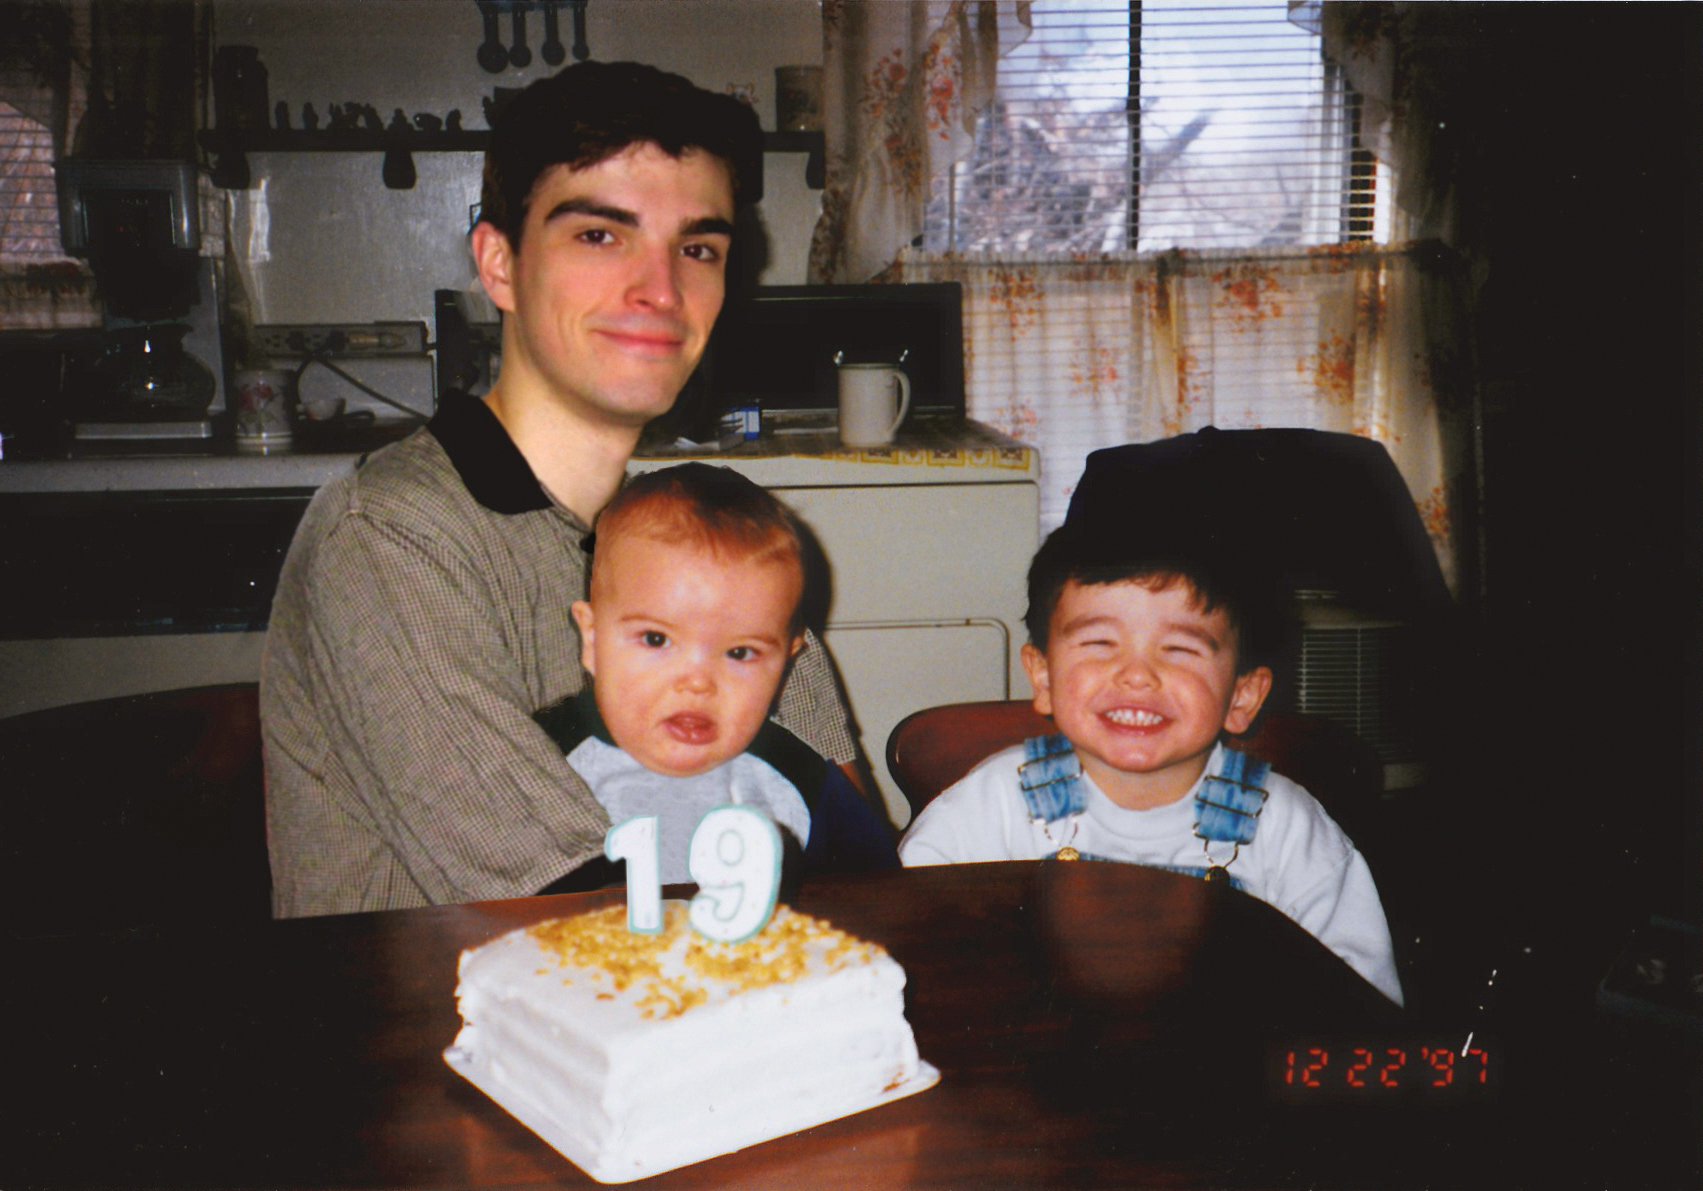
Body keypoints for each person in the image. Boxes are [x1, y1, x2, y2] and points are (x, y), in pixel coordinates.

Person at [261, 61, 870, 918]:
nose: (660, 290)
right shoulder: (388, 537)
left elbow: (844, 839)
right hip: (437, 1032)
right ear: (499, 265)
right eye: (599, 235)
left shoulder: (699, 544)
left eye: (696, 248)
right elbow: (570, 916)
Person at [898, 524, 1404, 1004]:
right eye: (1100, 644)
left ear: (1242, 695)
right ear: (1044, 676)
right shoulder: (992, 805)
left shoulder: (1286, 829)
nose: (1137, 675)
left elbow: (1358, 999)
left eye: (1180, 649)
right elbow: (909, 941)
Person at [530, 463, 899, 883]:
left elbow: (882, 902)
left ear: (787, 662)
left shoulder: (804, 779)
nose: (698, 682)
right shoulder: (529, 762)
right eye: (656, 640)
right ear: (592, 640)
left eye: (740, 652)